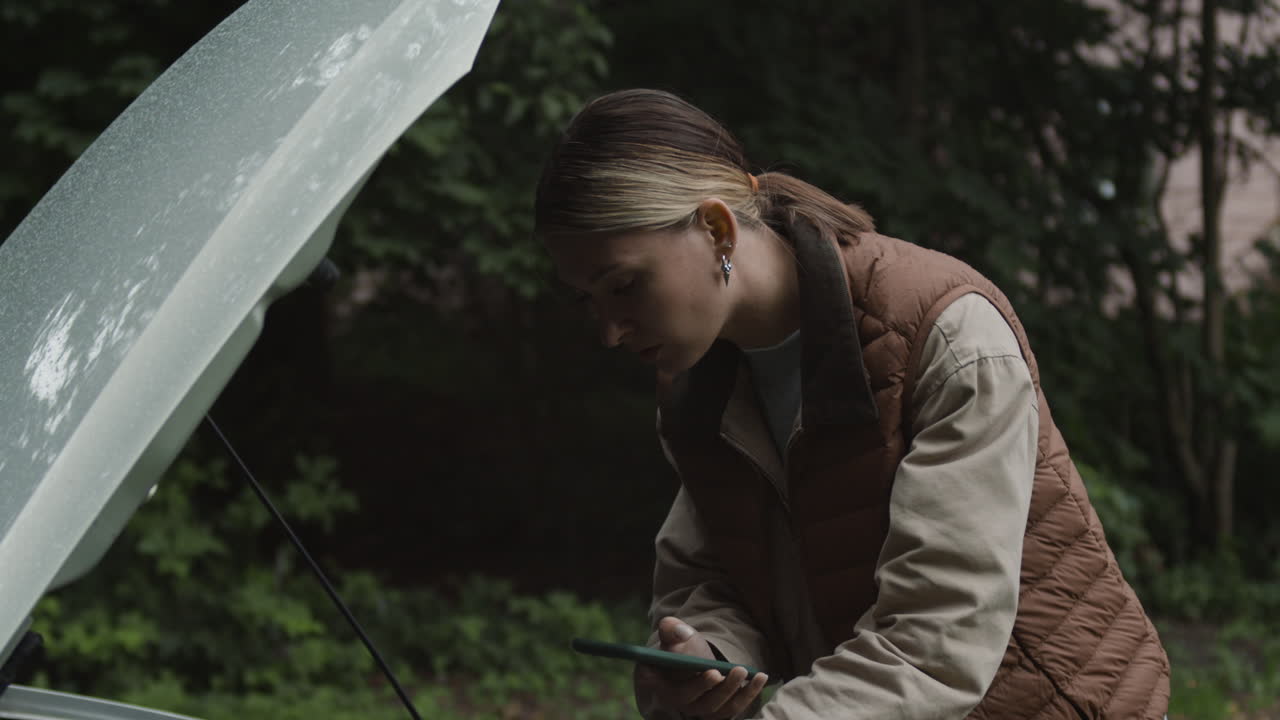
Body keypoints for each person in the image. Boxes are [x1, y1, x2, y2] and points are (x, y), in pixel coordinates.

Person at [534, 88, 1170, 720]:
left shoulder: (946, 337)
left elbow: (937, 640)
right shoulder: (694, 384)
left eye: (624, 285)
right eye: (588, 300)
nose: (609, 331)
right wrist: (703, 654)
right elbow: (713, 575)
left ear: (716, 228)